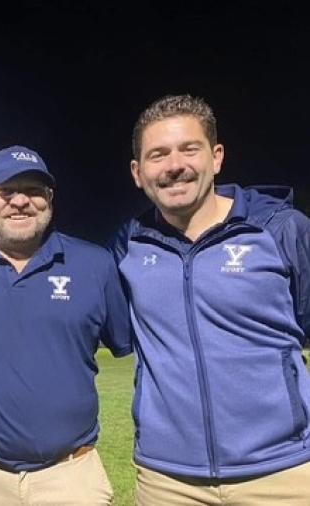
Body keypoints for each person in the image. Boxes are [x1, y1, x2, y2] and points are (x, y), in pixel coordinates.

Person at [112, 94, 310, 505]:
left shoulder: (281, 230)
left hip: (283, 473)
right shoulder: (128, 244)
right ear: (137, 172)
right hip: (168, 481)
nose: (174, 165)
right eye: (158, 154)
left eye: (189, 149)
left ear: (216, 157)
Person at [0, 146, 132, 505]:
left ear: (50, 199)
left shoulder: (94, 264)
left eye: (33, 190)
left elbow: (133, 344)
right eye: (7, 191)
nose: (20, 201)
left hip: (72, 476)